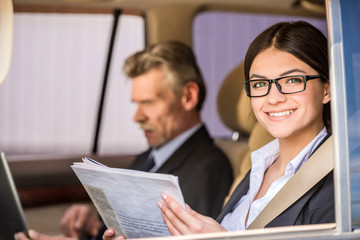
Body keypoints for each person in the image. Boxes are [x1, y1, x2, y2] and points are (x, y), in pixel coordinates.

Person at [100, 20, 334, 240]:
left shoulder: (341, 182)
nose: (273, 98)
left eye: (292, 80)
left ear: (327, 89)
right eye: (260, 84)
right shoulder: (258, 168)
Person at [14, 41, 233, 240]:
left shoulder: (208, 167)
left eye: (148, 102)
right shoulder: (149, 157)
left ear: (188, 97)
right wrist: (92, 227)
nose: (137, 117)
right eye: (136, 104)